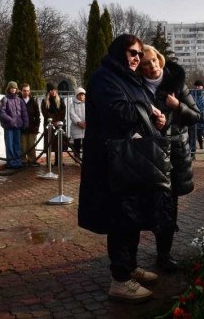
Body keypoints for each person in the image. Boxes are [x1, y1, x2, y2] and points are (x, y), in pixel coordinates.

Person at [78, 34, 172, 304]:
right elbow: (119, 112)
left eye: (139, 54)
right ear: (120, 52)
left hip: (131, 159)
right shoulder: (104, 77)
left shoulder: (130, 79)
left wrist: (159, 119)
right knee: (119, 219)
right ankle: (120, 279)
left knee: (132, 216)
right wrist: (149, 110)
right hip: (112, 161)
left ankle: (129, 268)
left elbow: (141, 112)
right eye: (132, 53)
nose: (136, 58)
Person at [139, 45, 201, 273]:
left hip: (173, 154)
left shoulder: (176, 83)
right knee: (147, 203)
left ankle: (163, 255)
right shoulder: (138, 86)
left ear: (160, 59)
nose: (151, 66)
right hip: (148, 153)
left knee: (169, 204)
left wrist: (178, 106)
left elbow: (196, 116)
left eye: (153, 60)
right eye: (145, 63)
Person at [0, 81, 28, 169]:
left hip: (17, 126)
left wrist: (25, 123)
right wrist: (10, 120)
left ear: (16, 89)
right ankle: (11, 162)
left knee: (17, 144)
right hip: (9, 126)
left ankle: (17, 161)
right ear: (9, 89)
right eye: (11, 88)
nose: (13, 89)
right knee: (9, 145)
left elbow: (24, 112)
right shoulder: (5, 99)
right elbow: (2, 112)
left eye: (14, 88)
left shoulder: (19, 100)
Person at [41, 83, 67, 166]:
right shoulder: (45, 101)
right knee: (49, 143)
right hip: (49, 124)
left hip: (58, 124)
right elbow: (45, 113)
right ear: (49, 91)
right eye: (51, 90)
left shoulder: (60, 100)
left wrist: (58, 121)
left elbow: (63, 111)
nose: (53, 92)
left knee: (58, 143)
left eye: (55, 90)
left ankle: (58, 161)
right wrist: (53, 121)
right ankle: (48, 162)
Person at [20, 83, 41, 167]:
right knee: (23, 145)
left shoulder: (33, 100)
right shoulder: (19, 100)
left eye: (28, 91)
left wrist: (37, 126)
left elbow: (37, 115)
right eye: (24, 91)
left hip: (32, 126)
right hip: (22, 127)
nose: (26, 92)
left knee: (31, 145)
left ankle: (32, 160)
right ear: (21, 91)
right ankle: (23, 160)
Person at [68, 87, 86, 160]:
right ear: (76, 95)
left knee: (86, 144)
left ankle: (85, 158)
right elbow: (72, 114)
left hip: (85, 127)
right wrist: (79, 122)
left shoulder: (87, 104)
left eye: (82, 95)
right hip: (77, 127)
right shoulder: (73, 104)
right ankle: (77, 158)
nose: (81, 96)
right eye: (79, 95)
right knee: (77, 144)